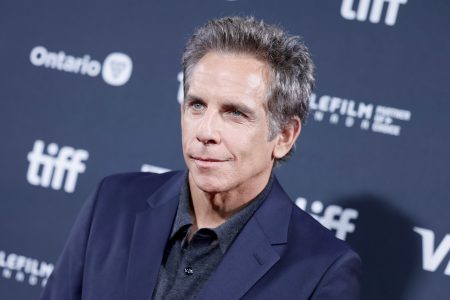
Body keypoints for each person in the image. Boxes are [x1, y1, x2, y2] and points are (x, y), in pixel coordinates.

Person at [41, 16, 361, 300]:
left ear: (284, 136)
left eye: (235, 113)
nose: (205, 131)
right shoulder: (112, 202)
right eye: (196, 105)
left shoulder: (323, 272)